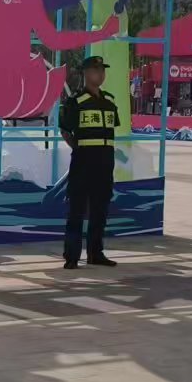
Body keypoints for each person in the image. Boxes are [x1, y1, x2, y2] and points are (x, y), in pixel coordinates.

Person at [59, 55, 120, 269]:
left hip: (105, 162)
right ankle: (72, 256)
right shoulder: (75, 101)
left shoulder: (110, 101)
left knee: (100, 209)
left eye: (102, 70)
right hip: (83, 162)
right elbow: (65, 130)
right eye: (95, 70)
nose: (100, 74)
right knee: (77, 210)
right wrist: (79, 149)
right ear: (85, 74)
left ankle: (96, 253)